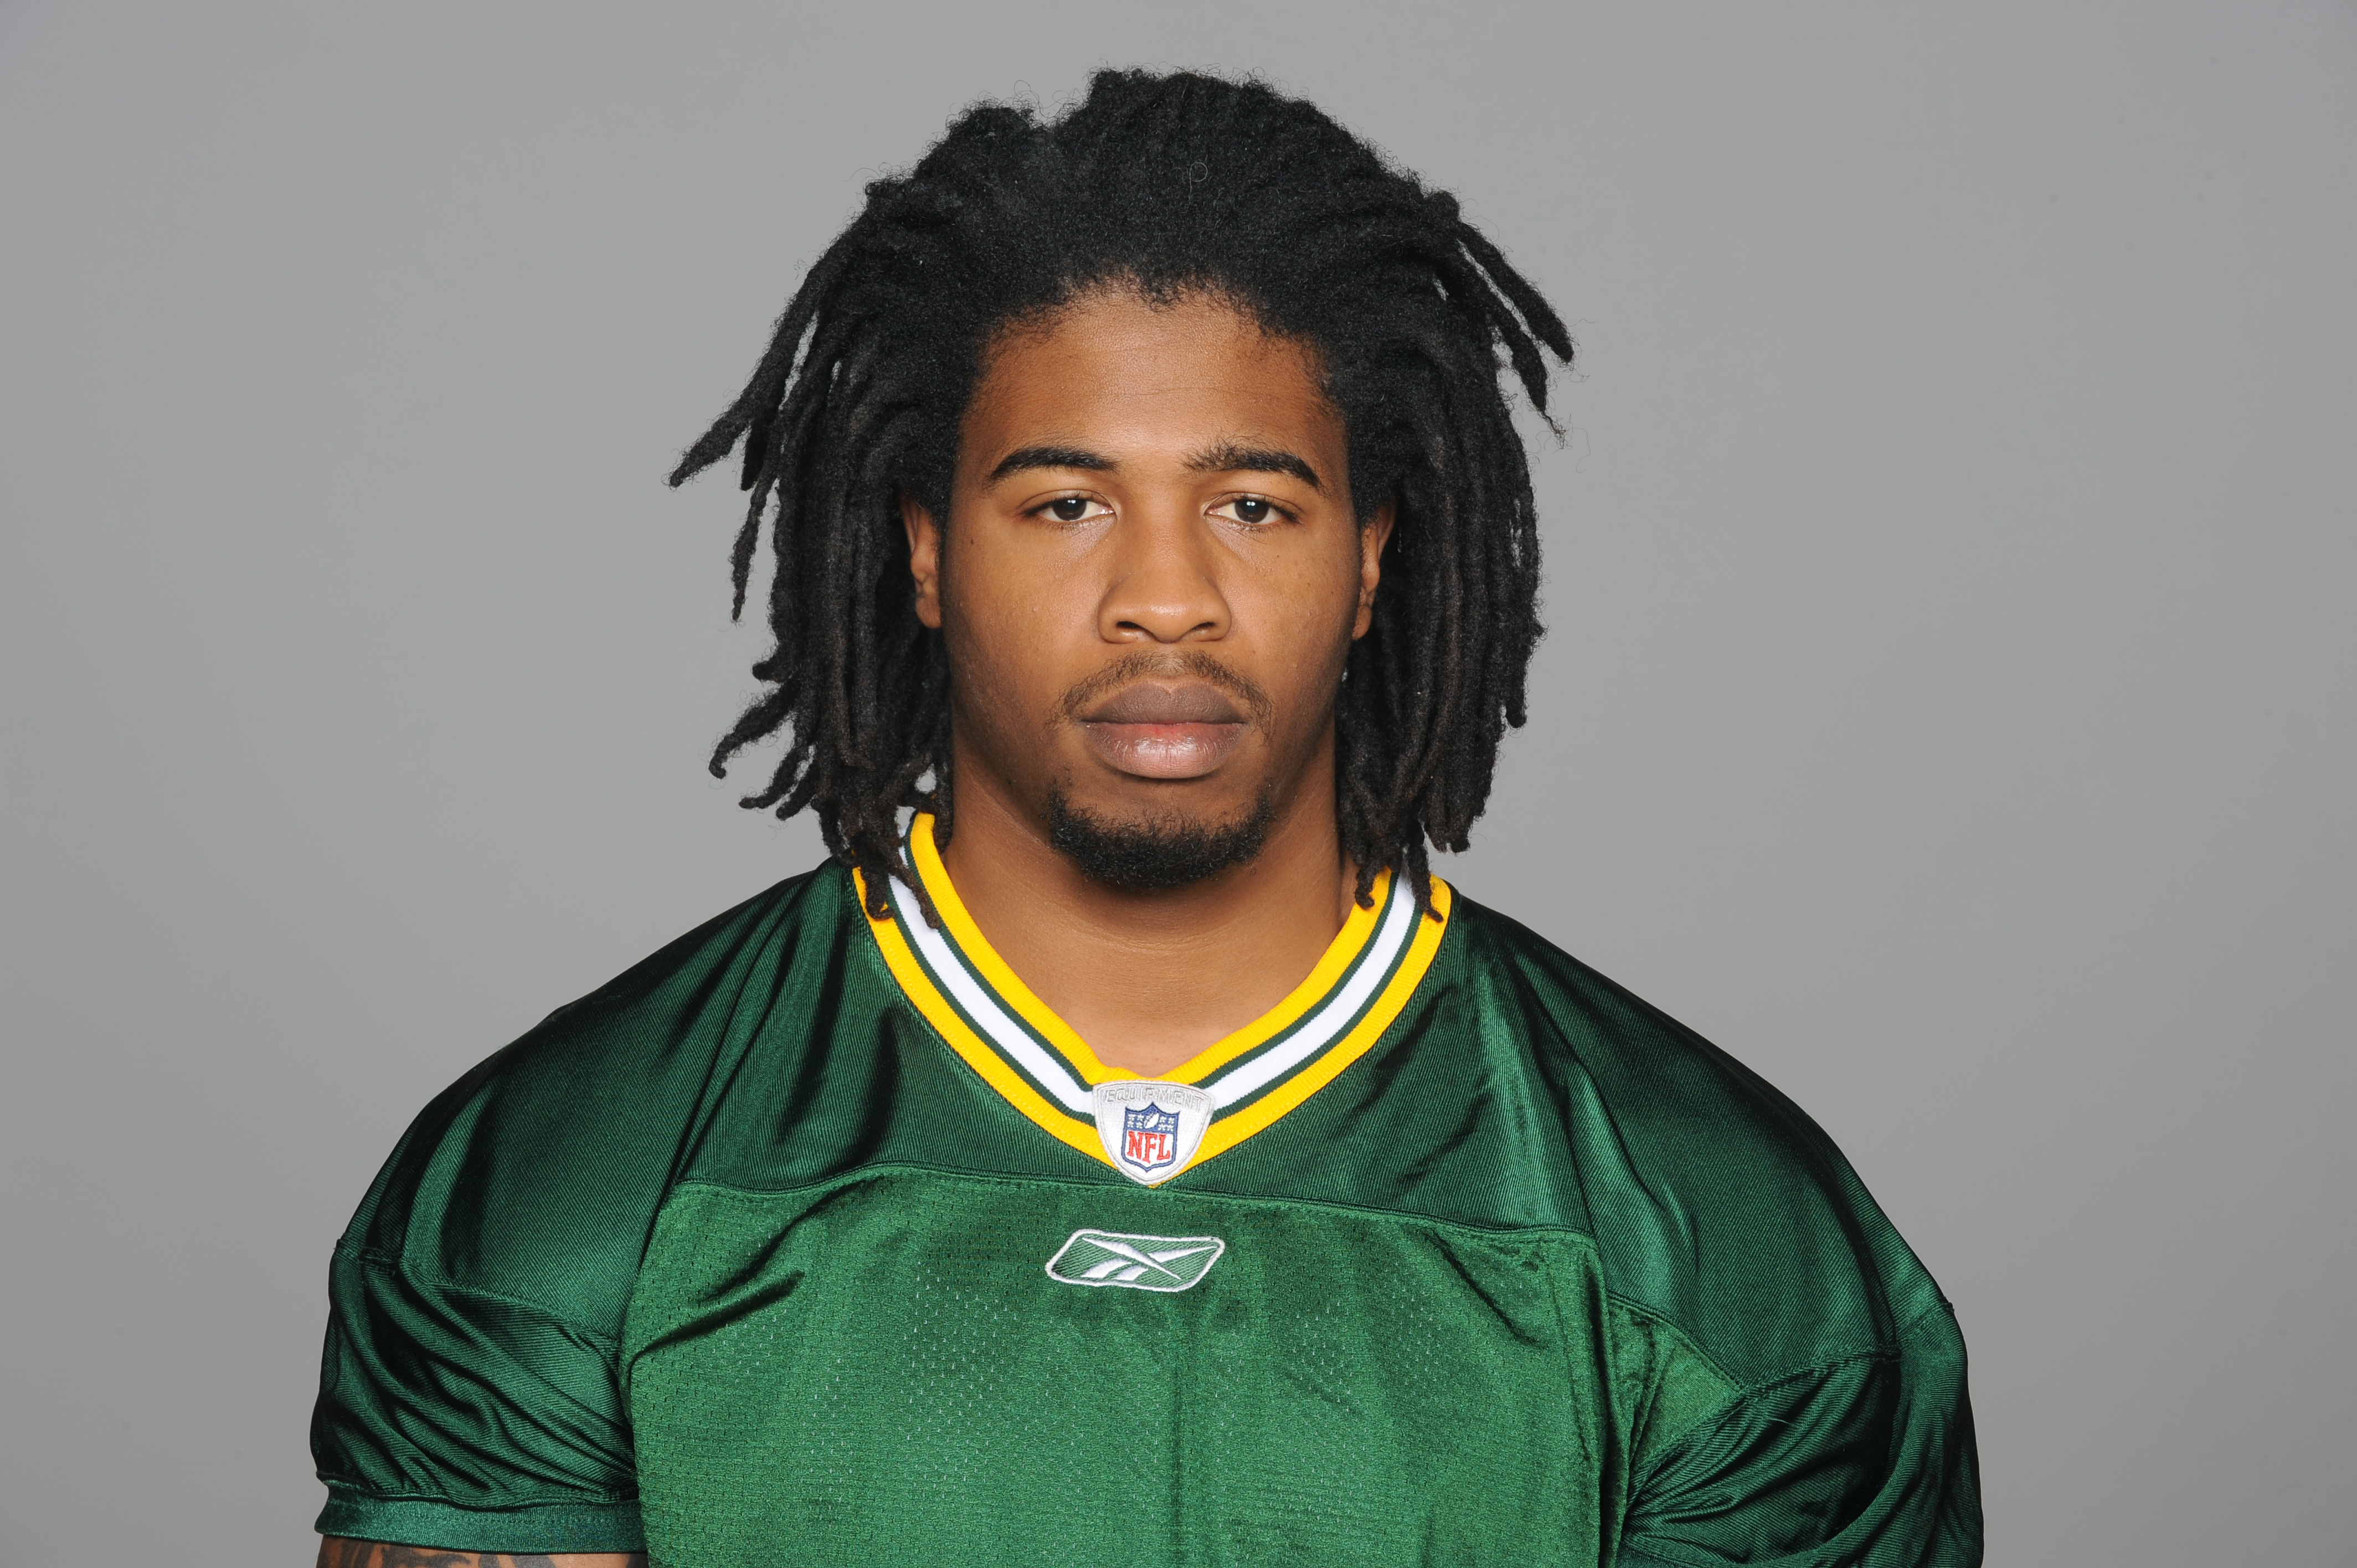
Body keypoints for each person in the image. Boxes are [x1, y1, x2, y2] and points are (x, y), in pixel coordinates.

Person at [309, 69, 1981, 1568]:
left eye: (1252, 503)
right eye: (1066, 503)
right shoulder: (572, 1186)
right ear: (925, 550)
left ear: (1373, 559)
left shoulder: (1721, 1240)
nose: (1165, 597)